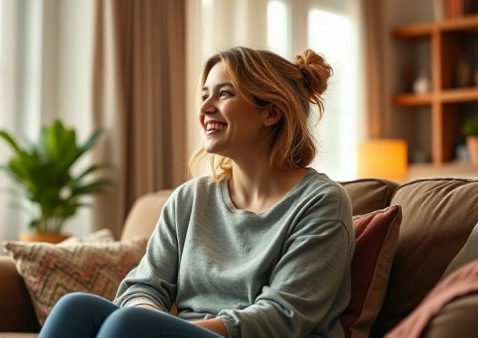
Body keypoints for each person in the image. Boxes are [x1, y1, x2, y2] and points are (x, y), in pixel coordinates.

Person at [39, 46, 354, 338]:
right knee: (75, 307)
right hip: (182, 333)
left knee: (128, 323)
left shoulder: (321, 202)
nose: (205, 108)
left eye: (224, 94)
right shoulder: (189, 199)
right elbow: (144, 286)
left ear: (271, 113)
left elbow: (283, 315)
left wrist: (157, 329)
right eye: (204, 95)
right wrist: (151, 320)